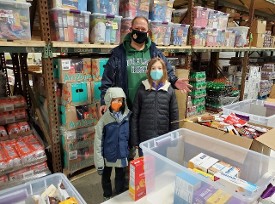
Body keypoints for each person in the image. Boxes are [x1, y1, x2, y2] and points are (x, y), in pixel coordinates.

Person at [100, 16, 192, 114]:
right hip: (125, 107)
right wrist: (104, 101)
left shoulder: (154, 52)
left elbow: (166, 71)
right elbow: (107, 80)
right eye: (137, 29)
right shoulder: (119, 53)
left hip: (149, 106)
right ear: (131, 30)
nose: (140, 31)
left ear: (148, 33)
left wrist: (174, 81)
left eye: (143, 29)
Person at [130, 57, 179, 156]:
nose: (156, 71)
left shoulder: (169, 90)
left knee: (159, 167)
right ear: (148, 71)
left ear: (164, 70)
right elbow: (135, 116)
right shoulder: (142, 89)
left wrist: (173, 138)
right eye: (153, 68)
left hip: (162, 139)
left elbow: (174, 115)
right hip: (144, 139)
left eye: (159, 68)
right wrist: (135, 139)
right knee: (145, 167)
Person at [94, 87, 131, 200]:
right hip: (107, 156)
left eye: (120, 100)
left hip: (121, 154)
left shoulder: (127, 117)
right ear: (109, 101)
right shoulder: (104, 121)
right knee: (106, 177)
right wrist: (99, 162)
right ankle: (107, 195)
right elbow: (98, 142)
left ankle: (119, 193)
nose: (118, 103)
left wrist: (129, 150)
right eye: (114, 100)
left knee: (120, 176)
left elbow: (128, 137)